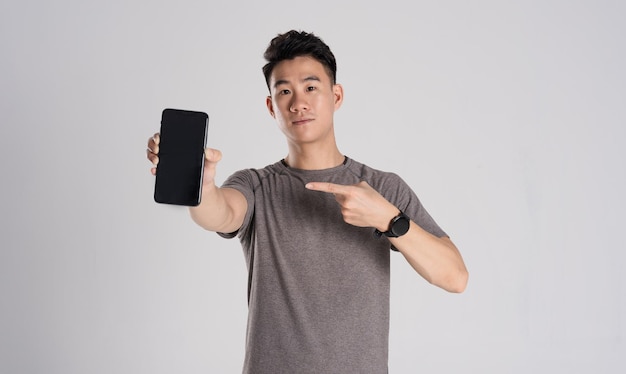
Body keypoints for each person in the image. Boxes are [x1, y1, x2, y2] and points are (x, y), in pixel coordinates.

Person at [147, 30, 468, 374]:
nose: (298, 102)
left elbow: (454, 277)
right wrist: (203, 184)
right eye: (284, 91)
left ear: (336, 95)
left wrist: (389, 219)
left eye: (311, 87)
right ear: (272, 106)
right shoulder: (256, 185)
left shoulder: (382, 187)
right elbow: (220, 213)